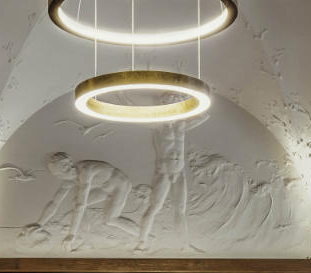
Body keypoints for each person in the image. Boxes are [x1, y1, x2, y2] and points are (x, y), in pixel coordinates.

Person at [22, 152, 139, 250]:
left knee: (111, 220)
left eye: (69, 166)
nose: (71, 170)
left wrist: (71, 234)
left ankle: (142, 235)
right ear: (60, 175)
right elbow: (54, 202)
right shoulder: (68, 180)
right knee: (75, 203)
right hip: (105, 188)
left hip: (120, 186)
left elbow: (81, 204)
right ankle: (84, 235)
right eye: (65, 171)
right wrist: (39, 224)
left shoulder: (85, 170)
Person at [136, 101, 206, 251]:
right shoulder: (159, 125)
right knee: (154, 207)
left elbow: (204, 115)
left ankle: (185, 246)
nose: (174, 102)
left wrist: (195, 103)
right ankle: (141, 243)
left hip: (179, 172)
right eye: (171, 99)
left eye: (177, 99)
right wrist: (121, 97)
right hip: (165, 172)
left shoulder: (182, 125)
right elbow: (137, 115)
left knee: (180, 210)